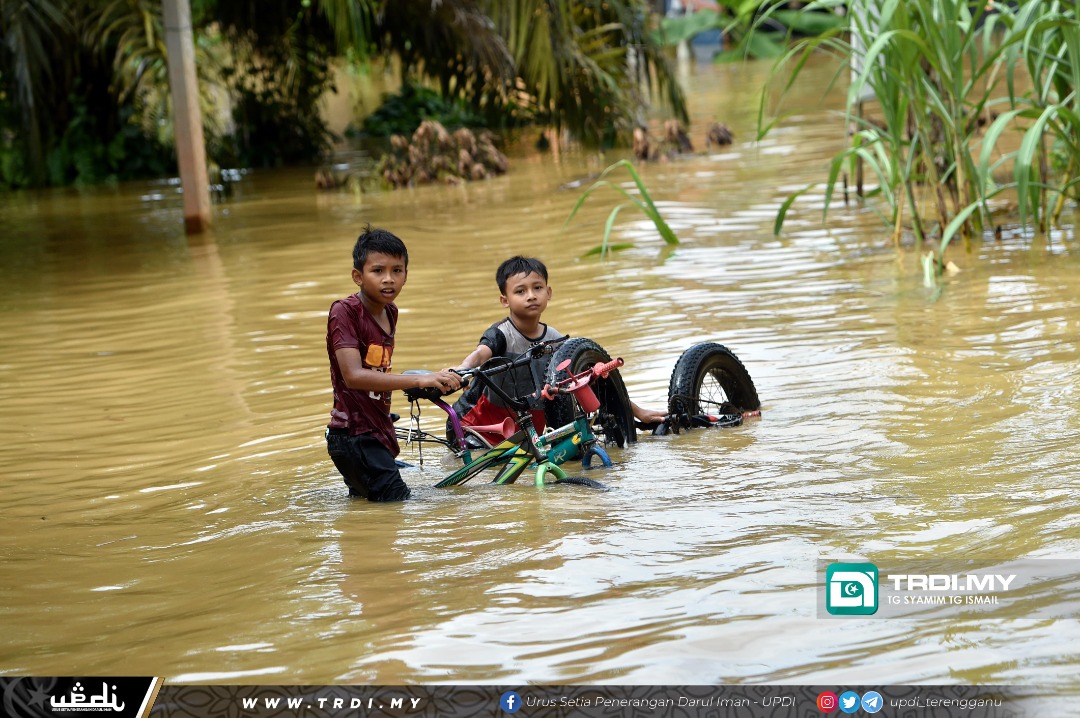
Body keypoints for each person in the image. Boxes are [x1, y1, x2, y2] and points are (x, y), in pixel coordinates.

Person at [452, 256, 667, 446]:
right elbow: (480, 354)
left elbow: (587, 381)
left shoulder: (556, 340)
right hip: (482, 430)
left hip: (529, 432)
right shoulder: (501, 334)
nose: (531, 296)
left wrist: (637, 412)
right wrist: (461, 369)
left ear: (549, 292)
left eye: (537, 288)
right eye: (520, 291)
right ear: (505, 300)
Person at [326, 225, 461, 501]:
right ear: (358, 276)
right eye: (378, 271)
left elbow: (378, 371)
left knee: (373, 514)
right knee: (401, 508)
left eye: (396, 270)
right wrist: (419, 379)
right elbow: (353, 376)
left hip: (376, 432)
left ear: (406, 275)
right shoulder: (344, 312)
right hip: (354, 434)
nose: (388, 279)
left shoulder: (390, 311)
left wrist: (434, 378)